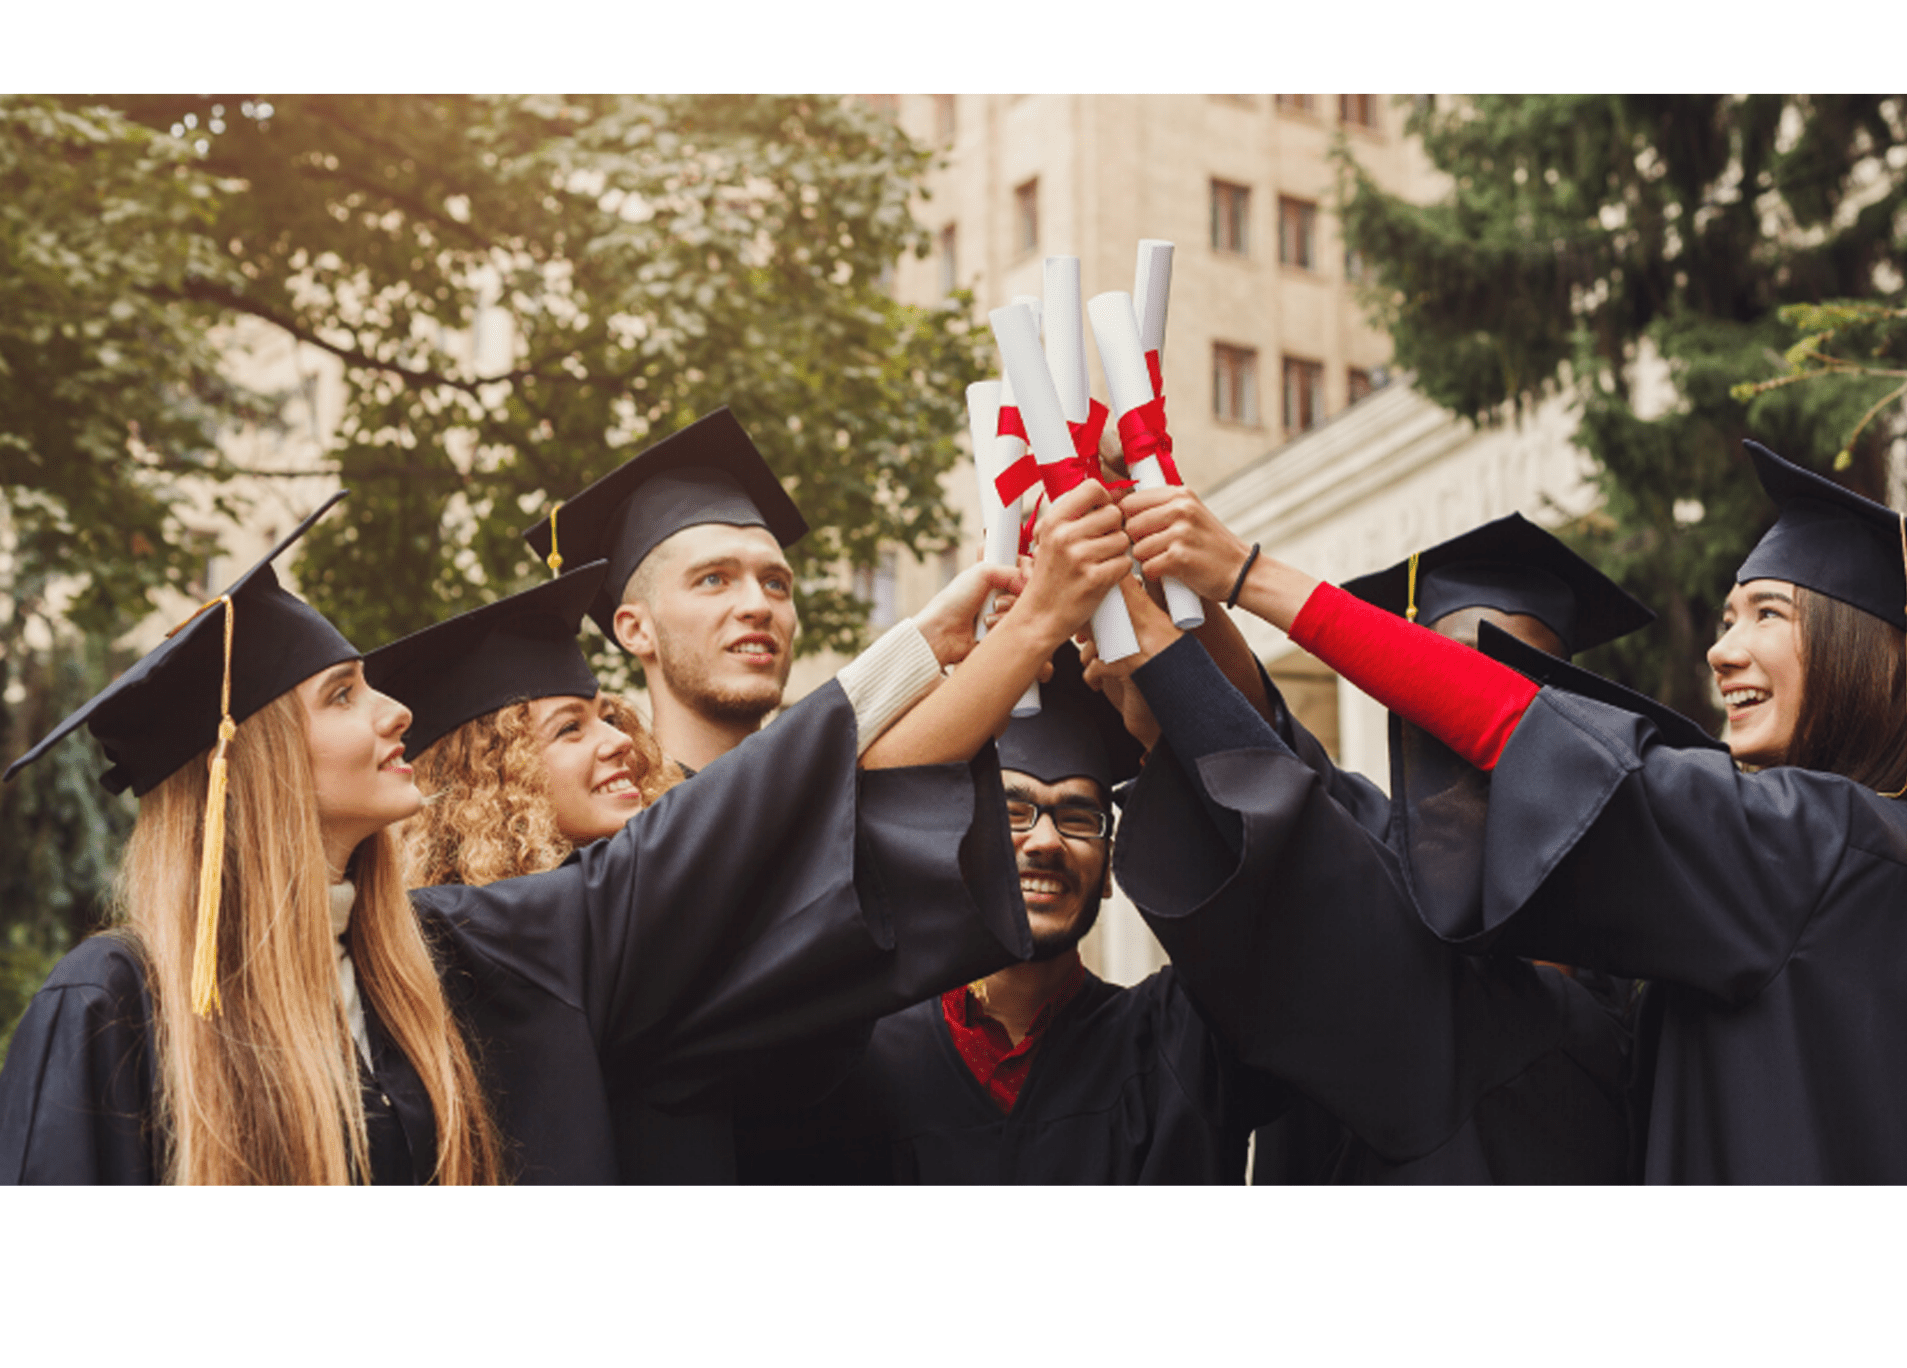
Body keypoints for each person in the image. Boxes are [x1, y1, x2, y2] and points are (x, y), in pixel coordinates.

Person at [0, 472, 1130, 1184]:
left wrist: (961, 640)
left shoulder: (456, 958)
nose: (394, 709)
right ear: (246, 768)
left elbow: (694, 846)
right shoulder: (116, 1005)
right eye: (341, 696)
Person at [1116, 441, 1907, 1182]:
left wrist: (1250, 574)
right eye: (1725, 618)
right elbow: (1334, 808)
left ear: (1858, 651)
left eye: (1766, 615)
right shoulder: (1868, 863)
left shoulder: (1819, 841)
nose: (1723, 649)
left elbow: (1532, 738)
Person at [1092, 516, 1664, 1183]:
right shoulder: (1385, 846)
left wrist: (1168, 654)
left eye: (1506, 683)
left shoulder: (1627, 953)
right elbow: (1270, 747)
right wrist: (1149, 549)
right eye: (1437, 672)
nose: (1463, 704)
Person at [741, 648, 1286, 1183]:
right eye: (1012, 811)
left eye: (1079, 818)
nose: (1046, 841)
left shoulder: (1180, 1043)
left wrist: (1166, 716)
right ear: (956, 843)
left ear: (1111, 872)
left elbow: (1278, 885)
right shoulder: (851, 1056)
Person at [522, 407, 811, 778]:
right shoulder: (621, 830)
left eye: (775, 584)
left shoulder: (845, 810)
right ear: (637, 630)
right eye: (713, 579)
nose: (758, 606)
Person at [361, 560, 678, 889]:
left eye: (608, 718)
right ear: (486, 783)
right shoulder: (465, 931)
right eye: (569, 728)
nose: (620, 740)